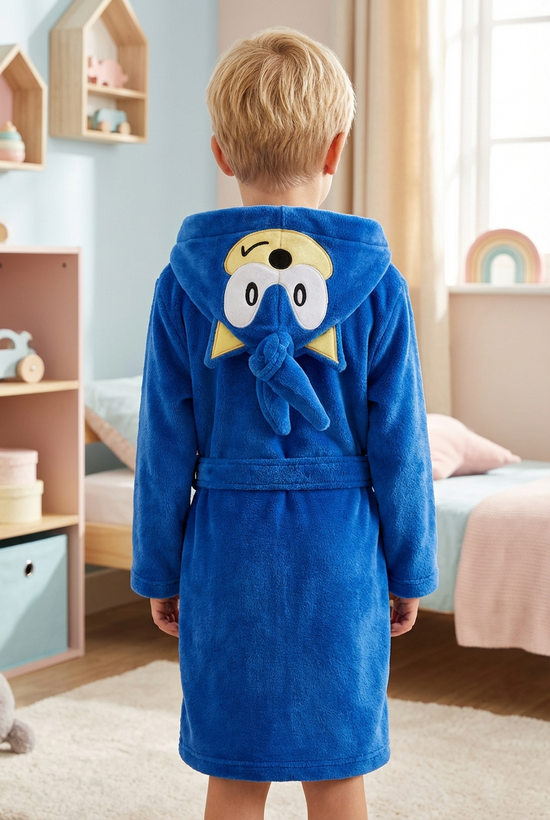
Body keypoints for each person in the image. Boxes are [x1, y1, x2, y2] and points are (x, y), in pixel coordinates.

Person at [131, 28, 438, 820]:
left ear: (220, 153)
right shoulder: (378, 286)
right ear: (336, 149)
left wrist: (159, 570)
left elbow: (163, 445)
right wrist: (409, 569)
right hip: (341, 555)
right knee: (337, 771)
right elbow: (402, 446)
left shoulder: (180, 284)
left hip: (226, 555)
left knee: (235, 774)